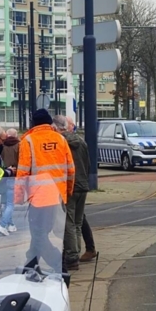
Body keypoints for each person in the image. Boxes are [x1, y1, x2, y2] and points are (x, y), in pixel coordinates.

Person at [16, 109, 75, 273]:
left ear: (33, 123)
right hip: (57, 196)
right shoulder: (60, 139)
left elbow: (22, 173)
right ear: (49, 122)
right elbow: (71, 170)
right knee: (40, 233)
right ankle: (30, 265)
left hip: (38, 197)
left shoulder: (28, 141)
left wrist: (19, 198)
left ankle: (58, 265)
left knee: (38, 233)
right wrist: (67, 193)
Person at [59, 115, 90, 271]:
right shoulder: (82, 141)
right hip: (83, 185)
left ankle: (72, 256)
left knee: (69, 223)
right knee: (77, 222)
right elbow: (88, 163)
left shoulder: (61, 143)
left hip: (71, 186)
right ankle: (76, 252)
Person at [0, 128, 20, 233]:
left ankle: (11, 224)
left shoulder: (2, 146)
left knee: (7, 203)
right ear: (16, 136)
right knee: (10, 204)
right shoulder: (19, 145)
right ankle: (2, 225)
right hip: (14, 176)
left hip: (4, 176)